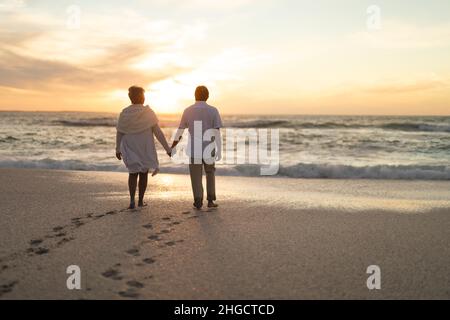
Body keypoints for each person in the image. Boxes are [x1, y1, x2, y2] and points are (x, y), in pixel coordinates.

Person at [116, 86, 171, 209]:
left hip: (130, 147)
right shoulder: (148, 113)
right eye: (143, 95)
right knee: (143, 174)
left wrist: (117, 149)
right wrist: (168, 149)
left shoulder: (124, 113)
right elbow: (158, 133)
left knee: (133, 173)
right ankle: (140, 201)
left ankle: (131, 201)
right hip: (144, 147)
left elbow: (120, 132)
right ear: (141, 97)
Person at [170, 86, 223, 209]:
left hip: (194, 149)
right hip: (209, 147)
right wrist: (219, 148)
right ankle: (210, 201)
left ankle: (198, 200)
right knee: (210, 173)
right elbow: (217, 132)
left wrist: (173, 147)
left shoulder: (188, 110)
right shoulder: (213, 110)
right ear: (207, 96)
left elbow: (180, 131)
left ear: (195, 95)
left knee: (195, 175)